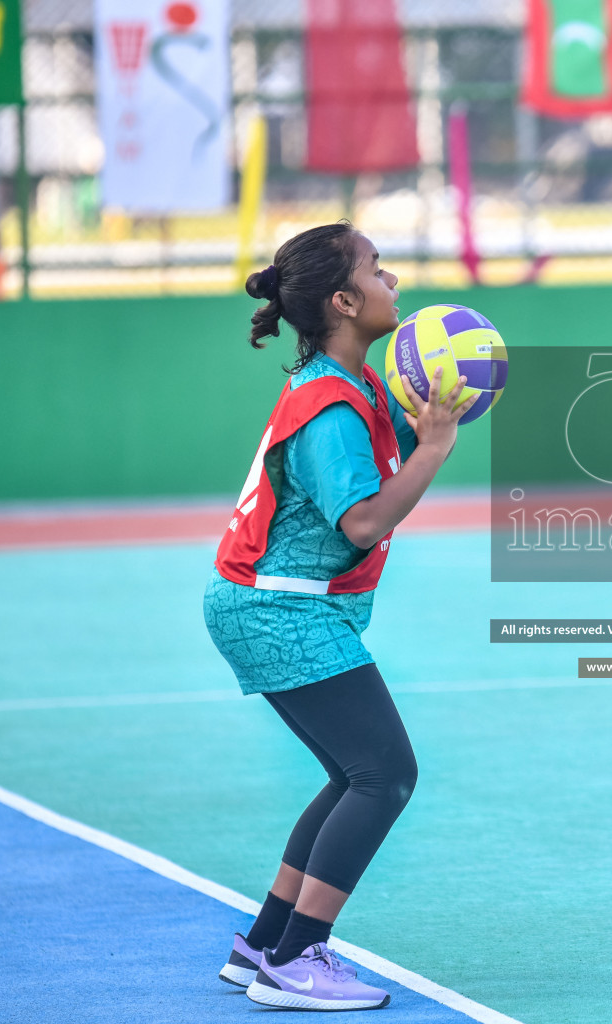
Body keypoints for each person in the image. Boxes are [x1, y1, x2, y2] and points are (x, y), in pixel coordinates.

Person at [203, 222, 475, 1010]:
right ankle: (297, 960)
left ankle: (262, 944)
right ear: (345, 301)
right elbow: (360, 522)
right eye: (379, 272)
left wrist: (430, 417)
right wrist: (436, 449)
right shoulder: (328, 405)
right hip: (278, 611)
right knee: (386, 774)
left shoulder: (351, 386)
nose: (395, 283)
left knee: (349, 773)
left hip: (279, 606)